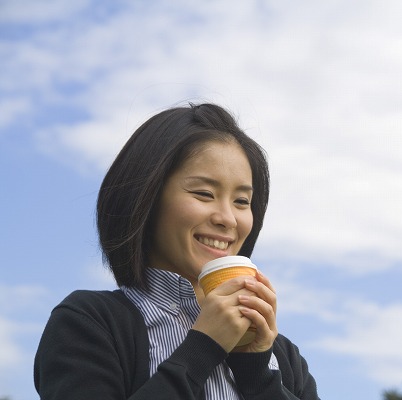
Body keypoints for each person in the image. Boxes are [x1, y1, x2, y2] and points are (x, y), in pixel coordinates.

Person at [34, 103, 320, 399]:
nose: (227, 218)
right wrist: (202, 348)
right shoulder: (88, 322)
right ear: (145, 198)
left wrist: (258, 375)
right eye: (204, 194)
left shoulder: (281, 355)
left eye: (242, 201)